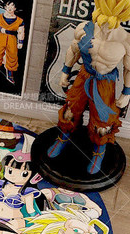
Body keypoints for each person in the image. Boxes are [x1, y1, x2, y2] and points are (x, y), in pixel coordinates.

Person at [47, 0, 130, 174]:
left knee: (103, 123)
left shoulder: (125, 40)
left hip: (105, 81)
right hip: (84, 75)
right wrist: (65, 71)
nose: (105, 27)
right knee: (70, 110)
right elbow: (73, 50)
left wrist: (127, 92)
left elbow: (129, 68)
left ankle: (99, 150)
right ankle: (64, 137)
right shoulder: (85, 28)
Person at [0, 1, 25, 84]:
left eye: (12, 6)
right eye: (8, 6)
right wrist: (0, 28)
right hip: (1, 37)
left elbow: (21, 32)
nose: (10, 8)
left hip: (12, 39)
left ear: (15, 8)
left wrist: (20, 42)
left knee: (12, 55)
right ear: (5, 7)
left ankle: (10, 75)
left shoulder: (19, 20)